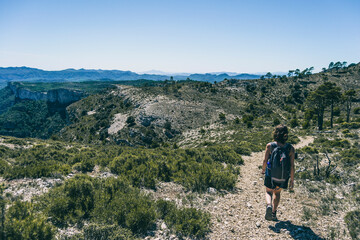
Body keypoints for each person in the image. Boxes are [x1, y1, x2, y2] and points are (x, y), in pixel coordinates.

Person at [261, 124, 295, 221]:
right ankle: (274, 213)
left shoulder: (270, 146)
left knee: (268, 191)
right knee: (277, 193)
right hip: (283, 177)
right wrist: (292, 180)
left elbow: (265, 160)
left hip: (271, 174)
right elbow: (292, 166)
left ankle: (268, 205)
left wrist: (263, 170)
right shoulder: (291, 148)